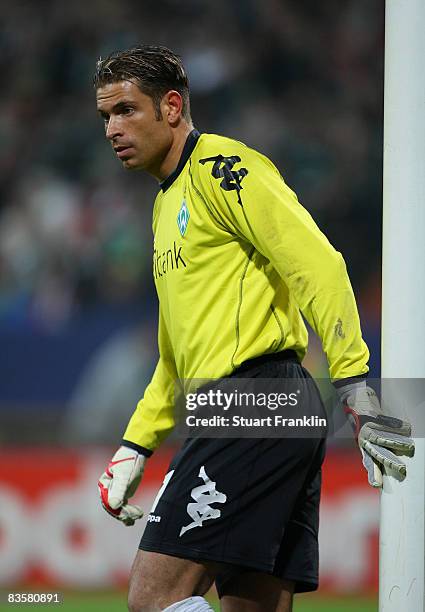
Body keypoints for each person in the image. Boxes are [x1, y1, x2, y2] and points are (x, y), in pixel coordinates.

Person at [94, 45, 414, 612]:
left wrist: (356, 389)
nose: (112, 129)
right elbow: (175, 355)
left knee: (153, 596)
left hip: (253, 402)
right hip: (257, 411)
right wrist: (135, 446)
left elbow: (318, 263)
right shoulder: (164, 208)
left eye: (125, 110)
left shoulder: (225, 169)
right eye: (105, 117)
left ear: (171, 107)